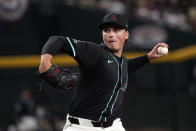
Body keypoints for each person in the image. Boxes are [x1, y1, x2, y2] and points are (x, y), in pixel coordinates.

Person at [39, 12, 168, 131]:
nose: (111, 34)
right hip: (82, 127)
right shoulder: (95, 52)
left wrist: (148, 57)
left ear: (126, 34)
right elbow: (58, 40)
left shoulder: (121, 61)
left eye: (116, 30)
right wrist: (45, 60)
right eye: (107, 30)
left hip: (114, 126)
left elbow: (124, 67)